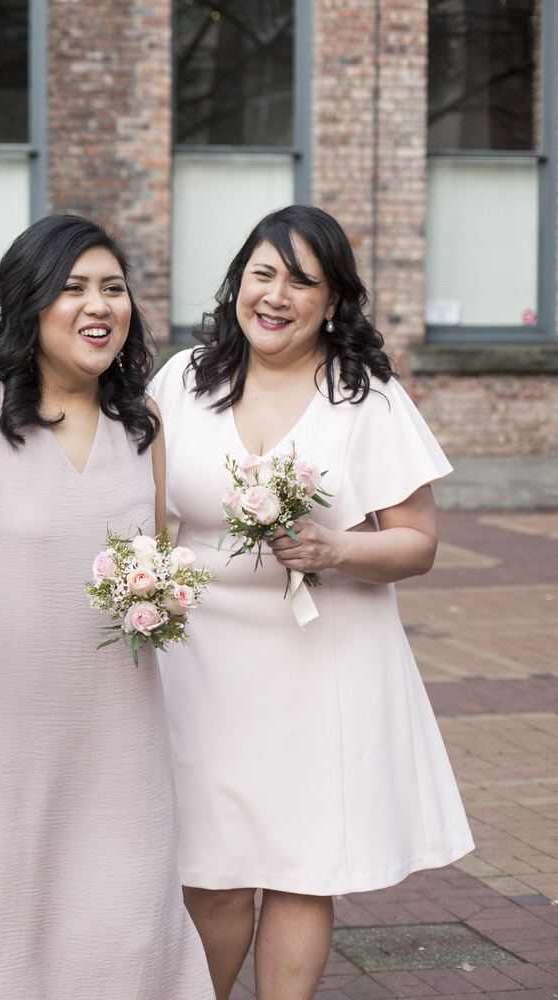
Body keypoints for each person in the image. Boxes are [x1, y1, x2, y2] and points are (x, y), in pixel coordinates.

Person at [149, 205, 473, 1000]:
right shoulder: (183, 380)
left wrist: (336, 551)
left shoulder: (366, 396)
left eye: (301, 281)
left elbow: (418, 543)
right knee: (210, 870)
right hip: (203, 663)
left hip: (324, 655)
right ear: (237, 284)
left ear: (332, 301)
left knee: (303, 867)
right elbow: (143, 512)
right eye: (262, 274)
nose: (276, 295)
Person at [0, 215, 214, 998]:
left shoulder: (143, 422)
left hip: (120, 716)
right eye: (73, 288)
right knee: (11, 909)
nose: (99, 305)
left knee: (129, 910)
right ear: (30, 303)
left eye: (113, 288)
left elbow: (155, 550)